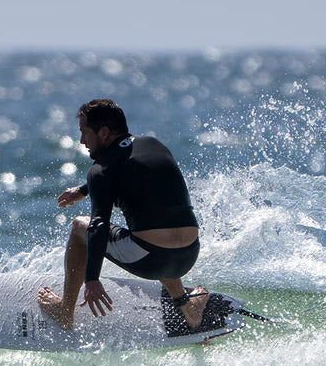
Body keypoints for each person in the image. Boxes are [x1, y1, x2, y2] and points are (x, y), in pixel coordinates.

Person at [37, 99, 208, 330]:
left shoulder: (100, 171)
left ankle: (65, 312)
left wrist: (92, 279)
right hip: (188, 254)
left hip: (153, 261)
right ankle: (186, 305)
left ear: (104, 132)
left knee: (79, 226)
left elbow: (98, 225)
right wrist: (83, 190)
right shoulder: (152, 144)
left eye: (85, 133)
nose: (81, 141)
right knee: (154, 221)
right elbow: (129, 173)